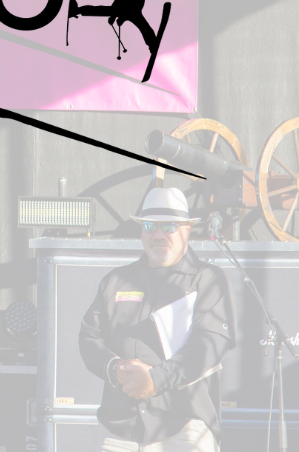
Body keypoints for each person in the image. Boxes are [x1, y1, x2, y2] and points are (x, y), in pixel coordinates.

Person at [79, 187, 235, 452]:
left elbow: (209, 345)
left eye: (169, 227)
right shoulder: (115, 281)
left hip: (184, 431)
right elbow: (89, 338)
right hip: (121, 432)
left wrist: (155, 380)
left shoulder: (207, 280)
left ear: (187, 230)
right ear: (141, 231)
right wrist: (114, 368)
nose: (158, 235)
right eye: (150, 226)